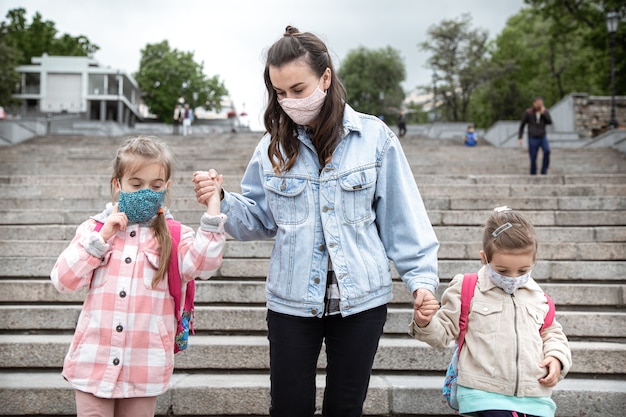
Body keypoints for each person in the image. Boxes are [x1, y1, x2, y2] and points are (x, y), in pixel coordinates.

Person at [193, 25, 440, 417]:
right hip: (291, 302)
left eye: (298, 89)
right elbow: (259, 218)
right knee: (289, 407)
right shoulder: (272, 147)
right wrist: (220, 200)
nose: (289, 101)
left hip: (361, 302)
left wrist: (422, 282)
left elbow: (403, 220)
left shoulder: (375, 138)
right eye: (279, 92)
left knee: (345, 406)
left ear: (325, 78)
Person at [50, 136, 226, 417]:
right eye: (136, 184)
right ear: (117, 184)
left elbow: (203, 266)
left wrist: (213, 208)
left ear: (166, 187)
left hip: (145, 365)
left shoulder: (175, 235)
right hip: (94, 360)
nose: (146, 191)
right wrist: (101, 237)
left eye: (155, 186)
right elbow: (63, 280)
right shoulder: (94, 229)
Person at [409, 207, 572, 417]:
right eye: (503, 270)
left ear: (534, 261)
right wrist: (425, 322)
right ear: (484, 258)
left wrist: (557, 359)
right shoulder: (467, 287)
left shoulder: (539, 297)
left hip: (534, 396)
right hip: (483, 394)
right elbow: (443, 333)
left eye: (523, 270)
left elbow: (552, 333)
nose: (513, 277)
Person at [518, 97, 553, 175]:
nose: (539, 106)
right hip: (532, 137)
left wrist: (544, 113)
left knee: (547, 151)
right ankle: (533, 173)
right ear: (534, 104)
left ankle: (544, 170)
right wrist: (520, 137)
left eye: (541, 104)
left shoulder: (545, 112)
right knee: (533, 156)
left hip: (542, 136)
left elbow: (549, 122)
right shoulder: (528, 112)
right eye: (538, 104)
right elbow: (522, 125)